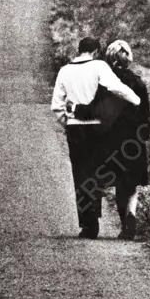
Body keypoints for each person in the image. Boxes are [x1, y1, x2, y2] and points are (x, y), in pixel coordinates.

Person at [51, 36, 141, 238]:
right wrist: (135, 100)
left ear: (79, 50)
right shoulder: (99, 66)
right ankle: (95, 217)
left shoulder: (65, 71)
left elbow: (56, 105)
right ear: (95, 52)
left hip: (75, 128)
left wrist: (68, 122)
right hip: (96, 129)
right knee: (95, 174)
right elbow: (116, 87)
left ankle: (87, 224)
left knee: (80, 175)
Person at [100, 40, 150, 240]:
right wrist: (144, 135)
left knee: (118, 181)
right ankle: (131, 215)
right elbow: (146, 113)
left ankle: (125, 222)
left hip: (112, 138)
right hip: (134, 140)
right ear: (128, 59)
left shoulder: (105, 82)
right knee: (131, 184)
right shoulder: (138, 82)